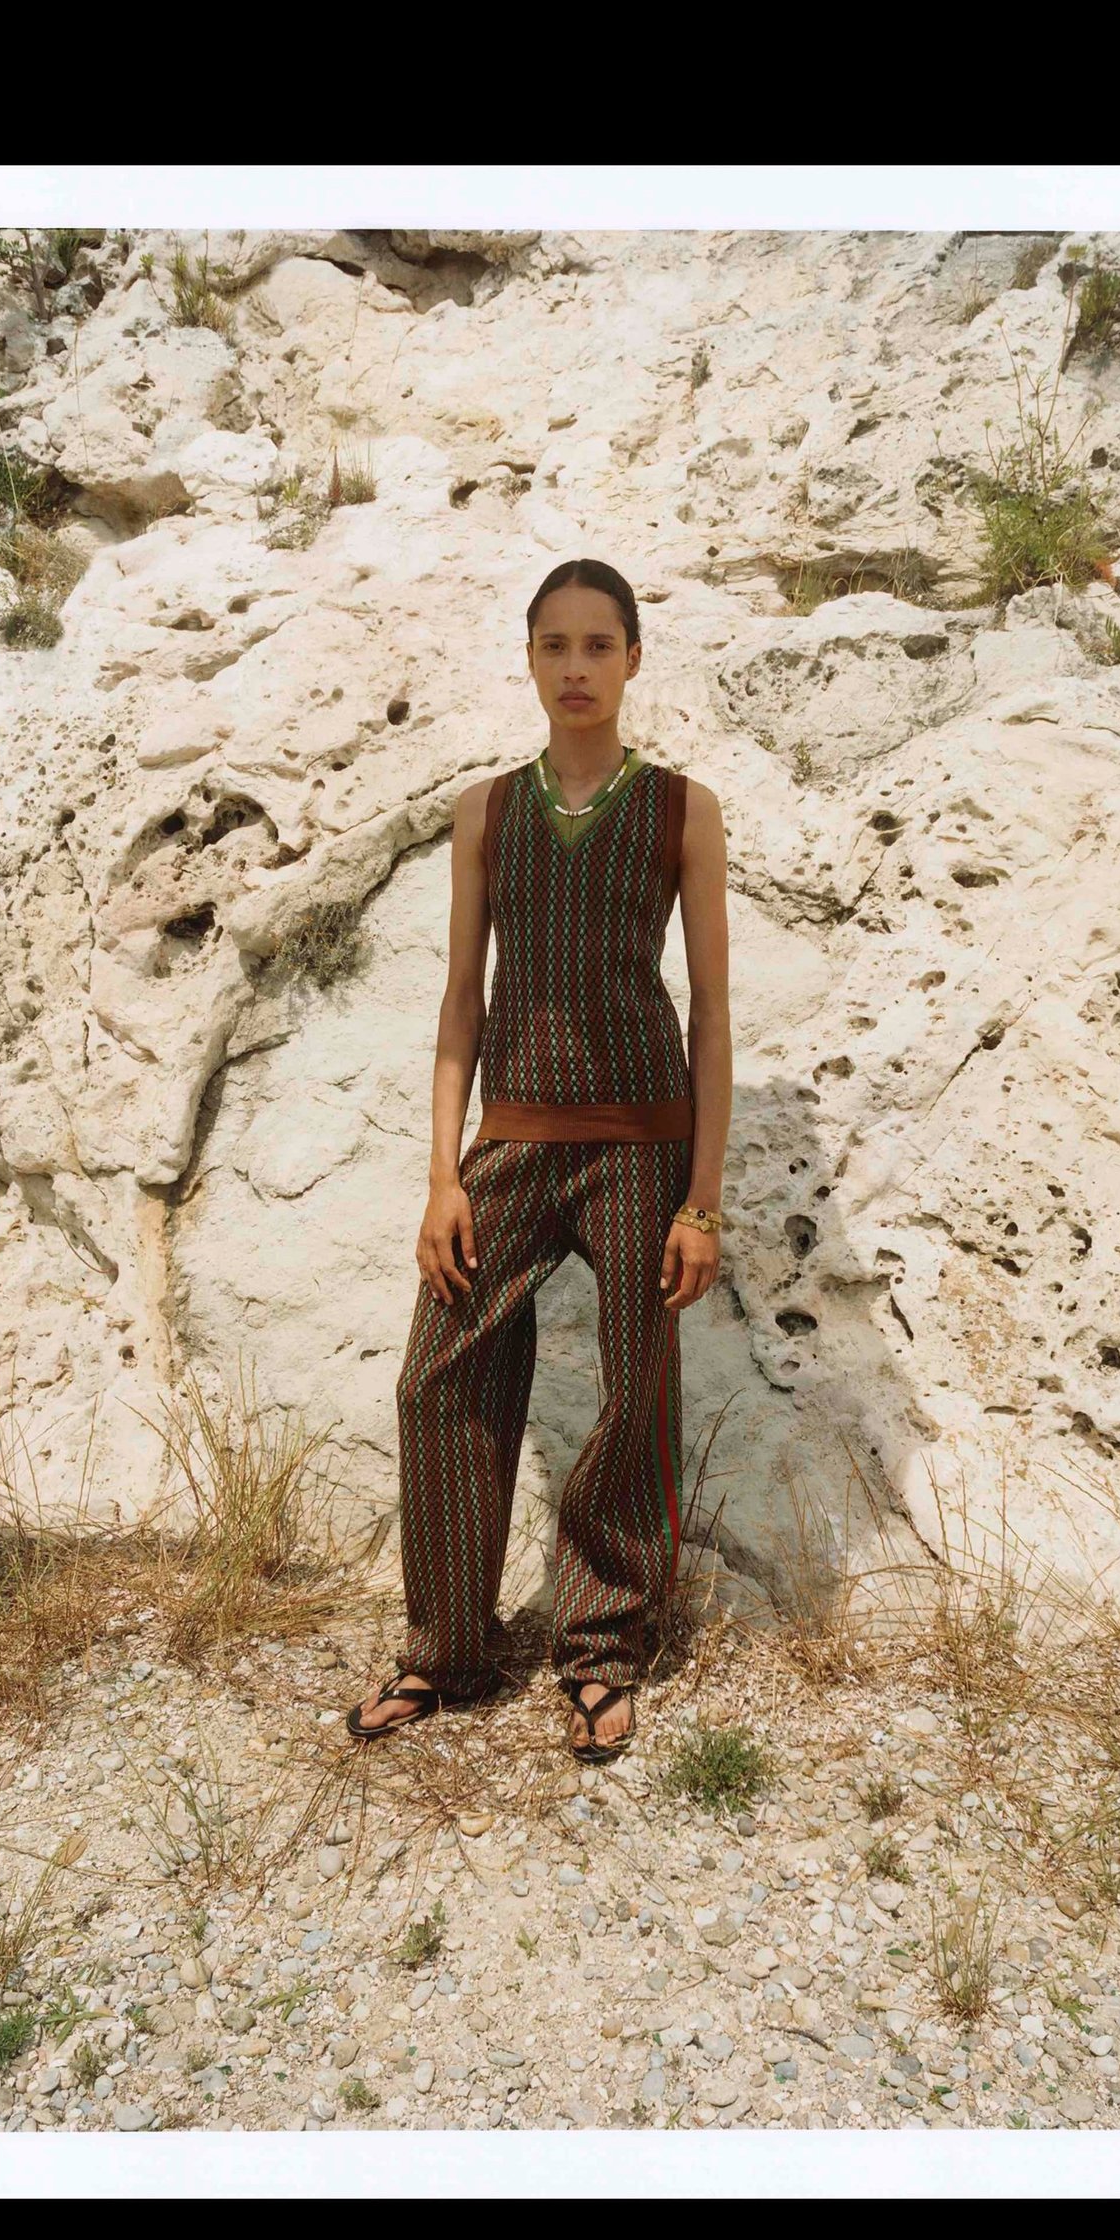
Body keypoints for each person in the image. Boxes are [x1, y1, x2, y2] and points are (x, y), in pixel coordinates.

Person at [345, 559, 732, 1761]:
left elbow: (712, 1013)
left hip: (642, 1148)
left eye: (598, 645)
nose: (576, 667)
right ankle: (447, 1651)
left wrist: (702, 1202)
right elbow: (461, 1001)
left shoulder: (682, 809)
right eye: (553, 645)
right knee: (437, 1379)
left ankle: (601, 1652)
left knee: (632, 1392)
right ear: (527, 659)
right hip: (510, 1139)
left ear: (632, 659)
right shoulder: (486, 812)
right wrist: (442, 1176)